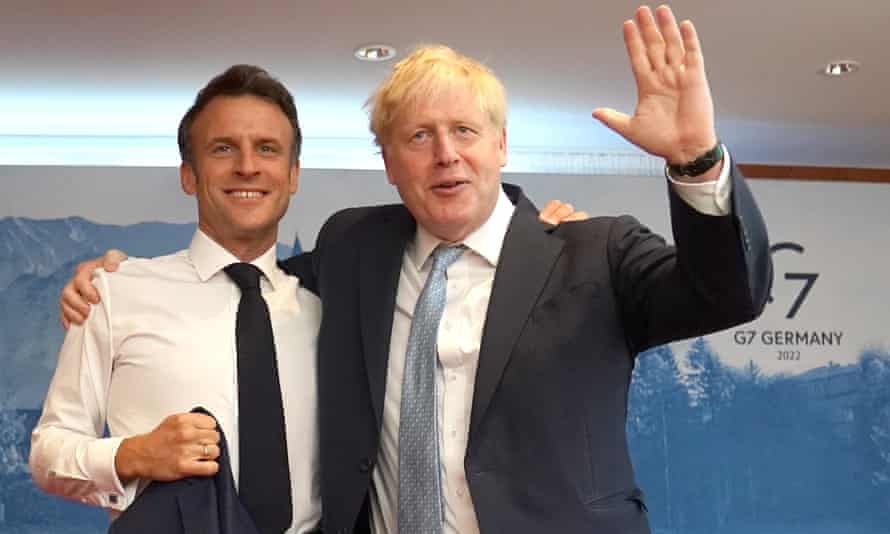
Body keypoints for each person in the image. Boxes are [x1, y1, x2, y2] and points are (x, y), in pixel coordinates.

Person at [60, 5, 772, 533]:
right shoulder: (353, 250)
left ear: (500, 144)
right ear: (389, 163)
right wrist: (119, 271)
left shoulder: (594, 252)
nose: (446, 155)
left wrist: (695, 160)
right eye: (419, 137)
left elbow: (730, 293)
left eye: (465, 131)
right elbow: (248, 278)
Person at [31, 64, 324, 533]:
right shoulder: (114, 292)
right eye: (223, 148)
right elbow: (48, 451)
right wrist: (134, 454)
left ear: (292, 175)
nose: (247, 166)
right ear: (189, 174)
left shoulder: (327, 308)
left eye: (267, 149)